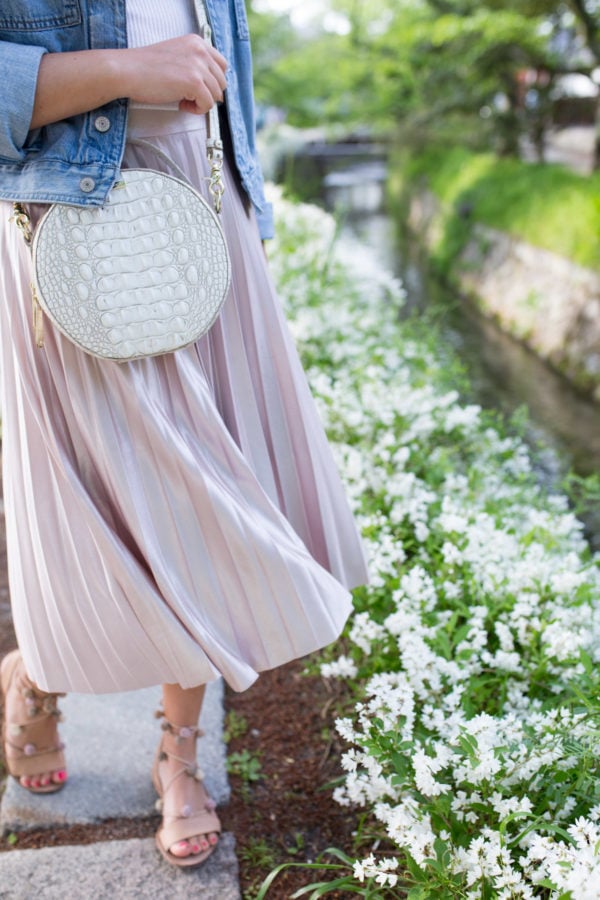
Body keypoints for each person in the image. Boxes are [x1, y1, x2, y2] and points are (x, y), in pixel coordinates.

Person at [0, 0, 367, 869]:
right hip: (67, 214)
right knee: (105, 496)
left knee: (201, 497)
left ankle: (177, 750)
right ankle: (39, 673)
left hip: (204, 209)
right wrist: (134, 71)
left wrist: (247, 214)